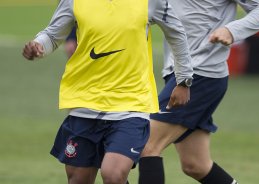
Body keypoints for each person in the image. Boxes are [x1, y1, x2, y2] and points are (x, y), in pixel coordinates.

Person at [22, 0, 193, 183]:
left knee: (113, 174)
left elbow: (176, 33)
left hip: (131, 103)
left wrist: (183, 80)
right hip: (84, 102)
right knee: (78, 179)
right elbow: (53, 35)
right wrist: (39, 45)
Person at [138, 0, 259, 184]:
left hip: (200, 74)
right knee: (196, 165)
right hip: (179, 73)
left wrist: (231, 30)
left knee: (147, 144)